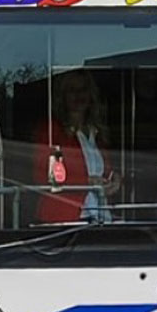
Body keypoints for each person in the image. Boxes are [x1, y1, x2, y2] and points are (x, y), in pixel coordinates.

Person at [33, 71, 117, 223]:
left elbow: (106, 173)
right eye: (72, 90)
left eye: (83, 89)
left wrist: (115, 180)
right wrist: (87, 181)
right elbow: (47, 177)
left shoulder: (96, 132)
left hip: (100, 216)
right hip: (64, 217)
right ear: (62, 96)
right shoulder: (53, 131)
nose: (79, 95)